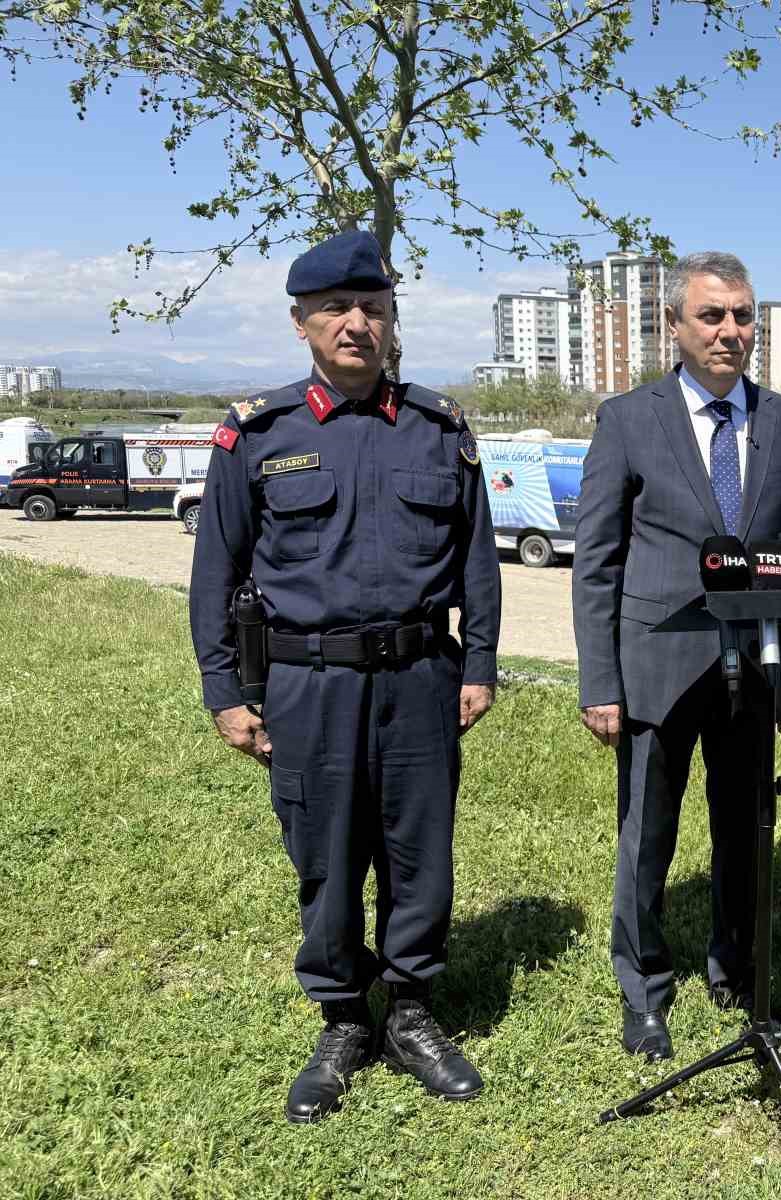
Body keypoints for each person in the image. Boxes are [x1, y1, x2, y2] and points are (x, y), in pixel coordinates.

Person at [189, 229, 501, 1123]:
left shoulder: (441, 428)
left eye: (372, 306)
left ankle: (408, 1009)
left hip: (419, 680)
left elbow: (477, 561)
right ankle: (340, 1019)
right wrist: (224, 693)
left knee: (418, 852)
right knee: (324, 855)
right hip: (306, 683)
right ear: (303, 324)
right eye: (336, 309)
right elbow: (216, 571)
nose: (356, 323)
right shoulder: (259, 433)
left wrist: (477, 663)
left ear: (392, 317)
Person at [572, 251, 781, 1062]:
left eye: (743, 315)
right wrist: (600, 680)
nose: (730, 331)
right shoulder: (627, 419)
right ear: (675, 325)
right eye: (712, 315)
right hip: (654, 663)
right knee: (648, 833)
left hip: (755, 667)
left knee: (745, 830)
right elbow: (597, 561)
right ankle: (644, 987)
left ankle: (733, 965)